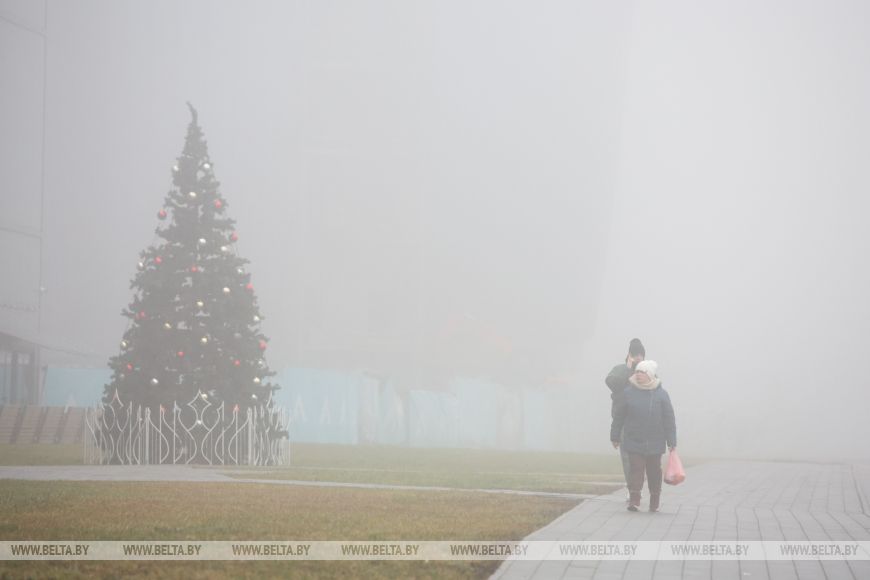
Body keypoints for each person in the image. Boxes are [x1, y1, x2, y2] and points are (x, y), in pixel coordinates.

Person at [610, 360, 676, 512]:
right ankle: (634, 500)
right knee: (636, 469)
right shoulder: (628, 393)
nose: (638, 374)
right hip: (634, 439)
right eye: (637, 371)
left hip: (656, 441)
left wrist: (672, 441)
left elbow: (669, 419)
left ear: (650, 375)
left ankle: (654, 500)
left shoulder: (661, 395)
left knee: (654, 472)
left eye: (642, 372)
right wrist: (615, 436)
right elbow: (619, 416)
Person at [605, 338, 646, 496]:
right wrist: (628, 369)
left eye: (641, 354)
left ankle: (637, 485)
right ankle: (633, 489)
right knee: (627, 457)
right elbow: (611, 383)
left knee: (641, 456)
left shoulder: (647, 372)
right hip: (623, 421)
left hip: (641, 421)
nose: (638, 357)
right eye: (635, 354)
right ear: (629, 355)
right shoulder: (619, 370)